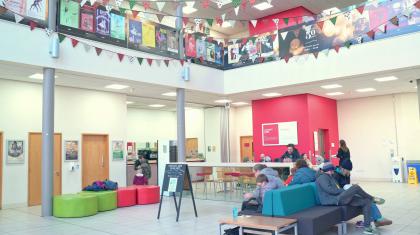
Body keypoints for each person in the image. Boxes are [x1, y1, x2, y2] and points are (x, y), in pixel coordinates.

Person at [316, 162, 385, 234]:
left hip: (339, 197)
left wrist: (346, 191)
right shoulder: (322, 178)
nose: (333, 172)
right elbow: (330, 190)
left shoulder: (329, 176)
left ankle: (367, 227)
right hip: (334, 200)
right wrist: (345, 191)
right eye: (331, 170)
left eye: (332, 170)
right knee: (355, 187)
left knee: (366, 201)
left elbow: (336, 188)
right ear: (327, 170)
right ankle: (372, 198)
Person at [334, 159, 392, 228]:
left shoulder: (345, 174)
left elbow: (346, 185)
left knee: (366, 199)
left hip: (348, 193)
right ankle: (377, 218)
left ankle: (377, 219)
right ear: (342, 168)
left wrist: (351, 187)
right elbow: (336, 190)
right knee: (365, 197)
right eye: (348, 171)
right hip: (342, 197)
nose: (348, 173)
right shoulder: (335, 175)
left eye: (349, 171)